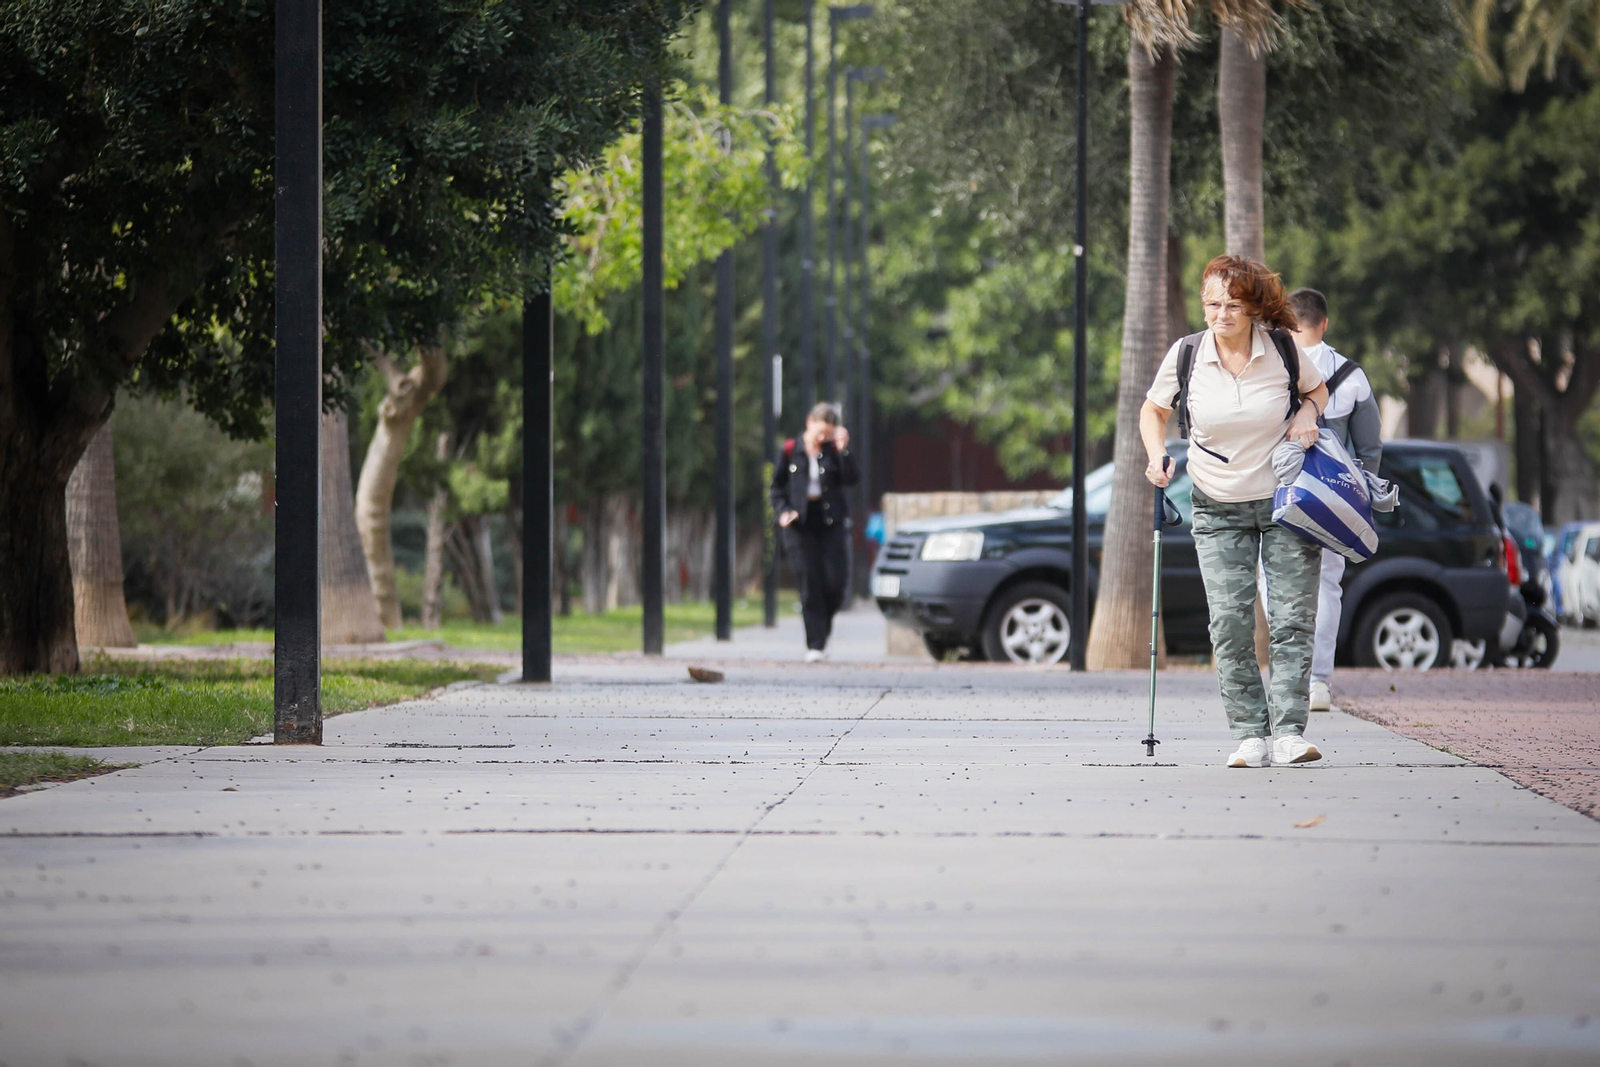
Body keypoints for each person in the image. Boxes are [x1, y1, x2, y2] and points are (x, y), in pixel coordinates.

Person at [1141, 255, 1330, 768]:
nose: (1220, 314)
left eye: (1232, 305)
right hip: (1216, 504)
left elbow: (1317, 390)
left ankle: (1289, 732)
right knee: (1228, 622)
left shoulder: (1282, 349)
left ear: (1252, 308)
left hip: (1286, 501)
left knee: (1292, 619)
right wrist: (1156, 455)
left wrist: (1307, 414)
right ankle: (1250, 734)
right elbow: (1154, 410)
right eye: (1212, 304)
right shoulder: (1187, 354)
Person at [1283, 288, 1383, 712]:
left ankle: (1288, 676)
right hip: (1333, 499)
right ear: (1324, 323)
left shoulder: (1275, 366)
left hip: (1280, 491)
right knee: (1327, 586)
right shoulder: (1352, 375)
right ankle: (1318, 682)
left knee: (1273, 581)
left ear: (1286, 322)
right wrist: (1362, 498)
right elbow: (1370, 447)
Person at [770, 402, 858, 662]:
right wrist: (783, 511)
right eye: (820, 432)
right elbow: (776, 488)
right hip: (800, 523)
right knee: (809, 583)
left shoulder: (833, 451)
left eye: (828, 434)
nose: (822, 438)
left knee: (836, 582)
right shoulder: (790, 450)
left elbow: (852, 478)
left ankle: (823, 628)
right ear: (809, 423)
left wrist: (843, 450)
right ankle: (816, 644)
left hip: (831, 522)